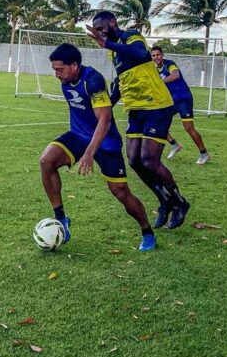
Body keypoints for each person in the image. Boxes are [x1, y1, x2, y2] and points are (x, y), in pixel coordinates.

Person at [39, 43, 156, 251]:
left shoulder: (93, 80)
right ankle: (62, 219)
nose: (56, 74)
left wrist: (89, 153)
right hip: (77, 135)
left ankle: (147, 231)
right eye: (54, 70)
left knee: (121, 192)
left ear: (74, 65)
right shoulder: (67, 79)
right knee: (46, 161)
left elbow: (105, 120)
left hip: (105, 143)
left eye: (60, 69)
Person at [86, 11, 190, 230]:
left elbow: (141, 54)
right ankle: (164, 200)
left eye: (101, 27)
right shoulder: (113, 52)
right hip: (135, 109)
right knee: (134, 160)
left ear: (113, 23)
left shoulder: (130, 37)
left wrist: (106, 44)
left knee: (149, 160)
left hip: (157, 106)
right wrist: (104, 108)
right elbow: (123, 82)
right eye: (96, 30)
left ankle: (179, 202)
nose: (100, 33)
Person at [151, 46, 210, 165]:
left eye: (158, 55)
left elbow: (175, 75)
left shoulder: (170, 64)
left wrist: (159, 82)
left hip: (183, 99)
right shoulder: (155, 70)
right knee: (157, 122)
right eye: (153, 55)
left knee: (188, 127)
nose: (156, 57)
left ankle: (204, 154)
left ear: (162, 55)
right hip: (171, 101)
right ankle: (174, 145)